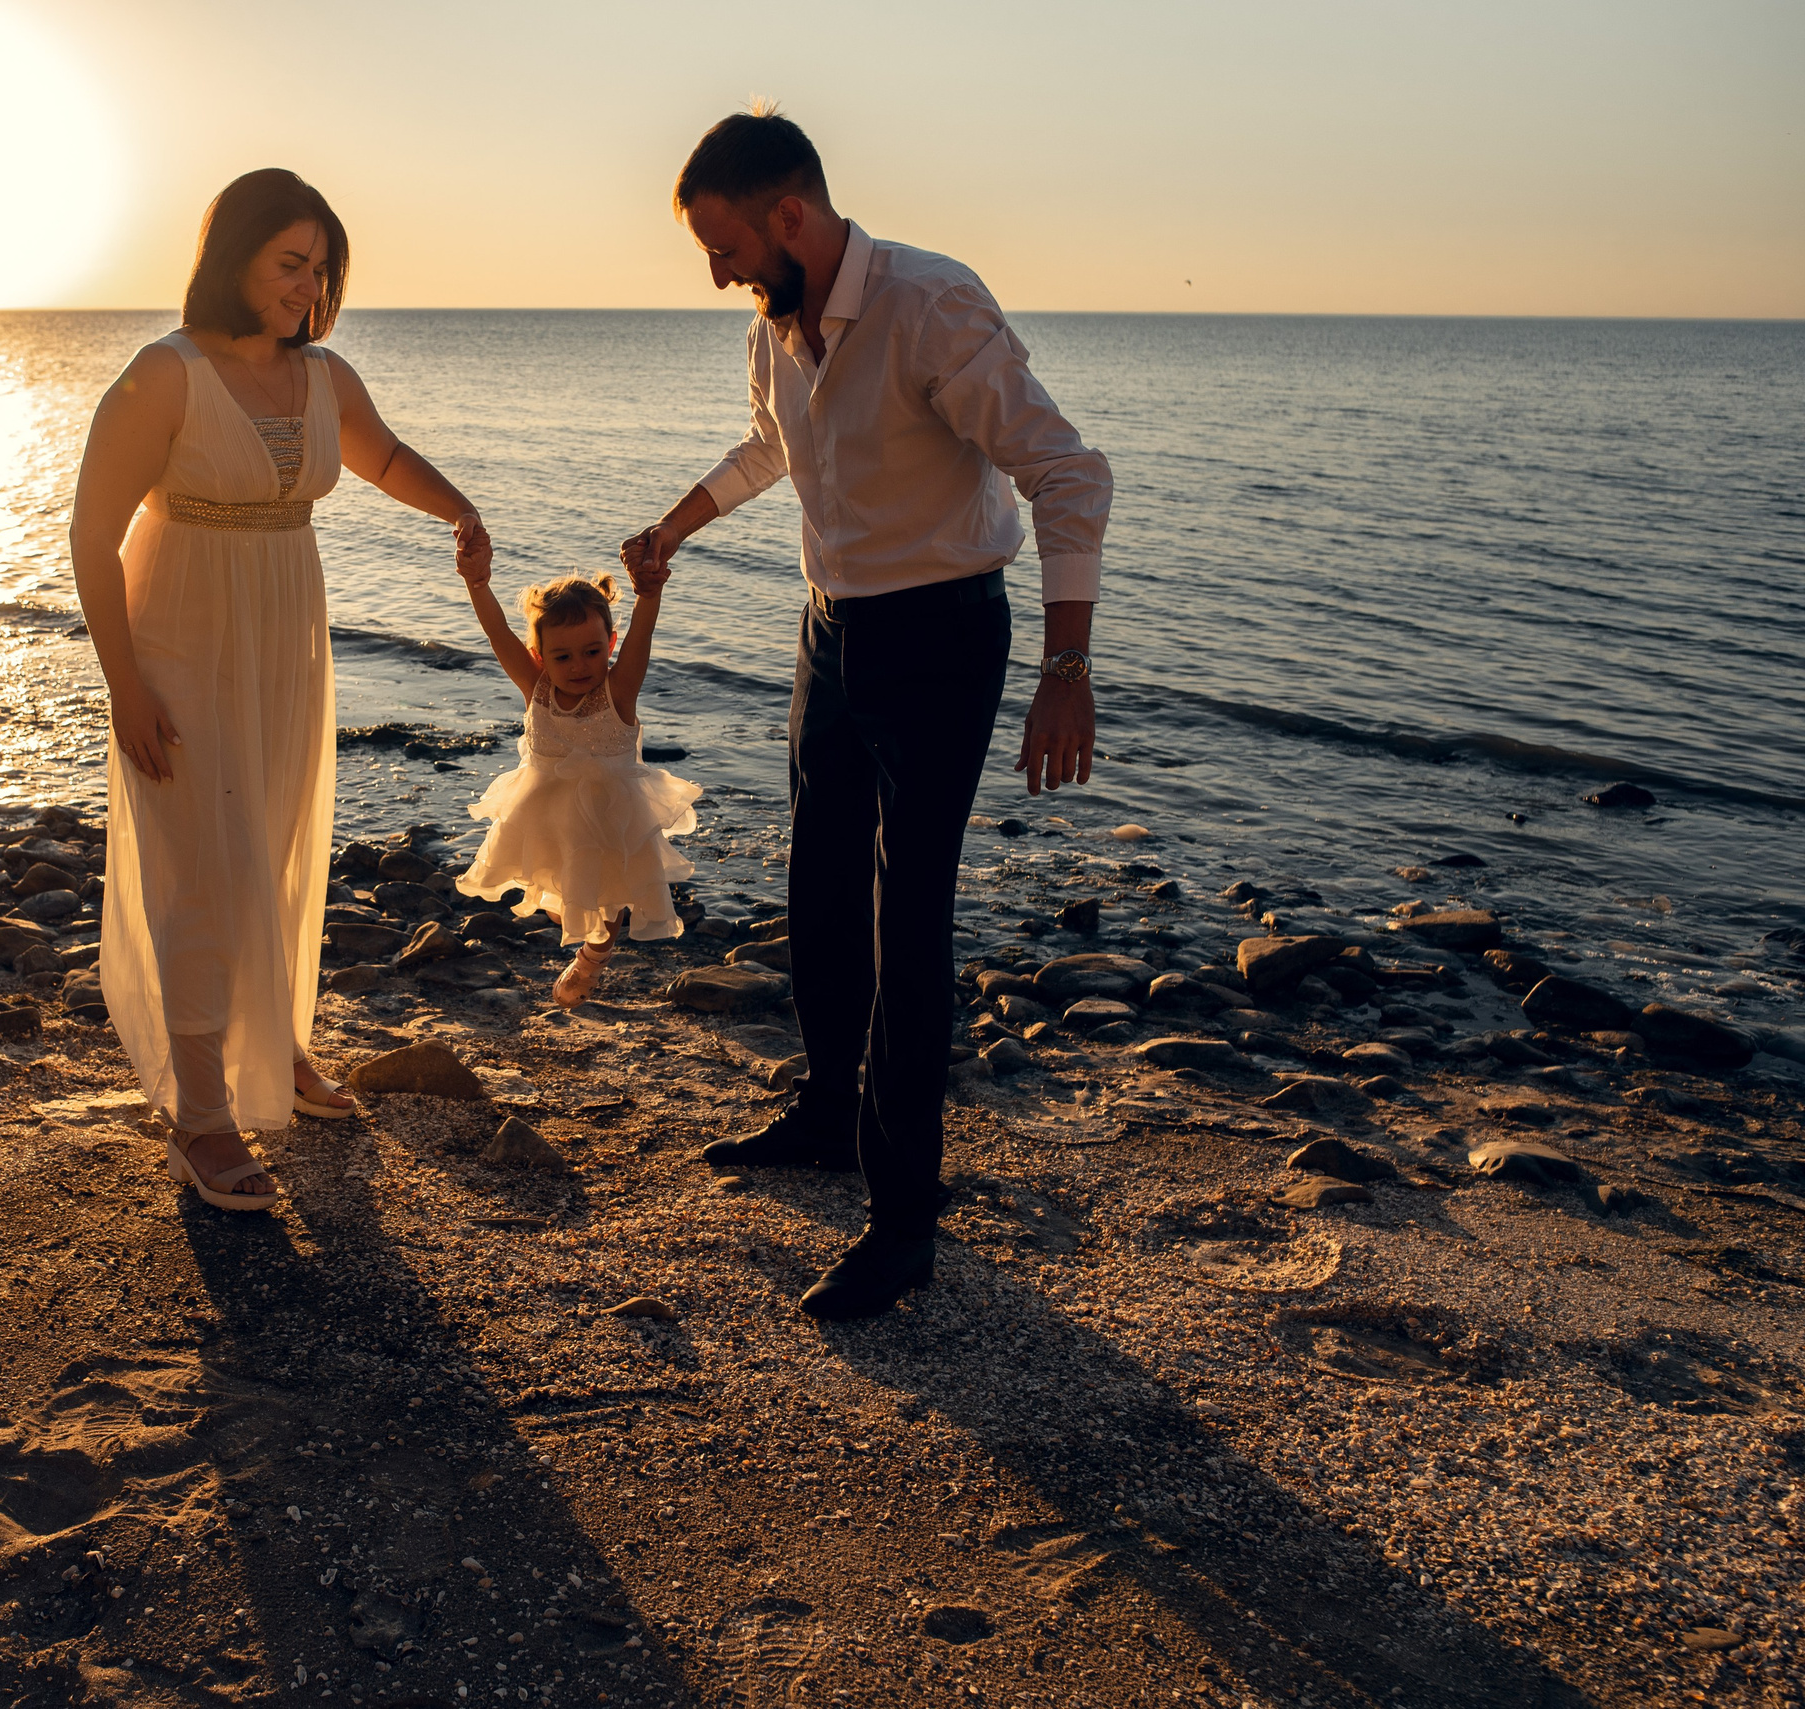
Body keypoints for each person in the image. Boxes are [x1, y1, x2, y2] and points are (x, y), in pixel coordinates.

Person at [621, 109, 1112, 1318]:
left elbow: (1067, 471)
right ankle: (828, 1116)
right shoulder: (773, 331)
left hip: (941, 634)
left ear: (790, 214)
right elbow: (768, 449)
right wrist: (673, 527)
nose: (717, 269)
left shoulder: (931, 306)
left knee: (911, 917)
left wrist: (1066, 667)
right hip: (831, 630)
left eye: (724, 241)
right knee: (820, 885)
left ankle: (902, 1225)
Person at [70, 168, 490, 1212]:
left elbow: (382, 455)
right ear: (232, 259)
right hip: (181, 637)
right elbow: (90, 533)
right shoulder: (163, 373)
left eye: (320, 268)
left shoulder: (324, 375)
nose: (307, 286)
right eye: (287, 264)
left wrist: (459, 508)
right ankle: (202, 1114)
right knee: (202, 865)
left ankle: (279, 1044)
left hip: (285, 637)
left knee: (279, 838)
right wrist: (124, 684)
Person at [451, 564, 701, 1008]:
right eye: (562, 656)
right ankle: (583, 939)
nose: (579, 666)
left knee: (606, 905)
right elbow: (496, 633)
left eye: (591, 651)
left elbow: (643, 635)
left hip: (608, 822)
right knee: (558, 904)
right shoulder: (536, 687)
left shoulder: (618, 691)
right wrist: (477, 583)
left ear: (610, 644)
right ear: (539, 654)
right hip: (545, 818)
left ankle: (591, 962)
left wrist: (650, 593)